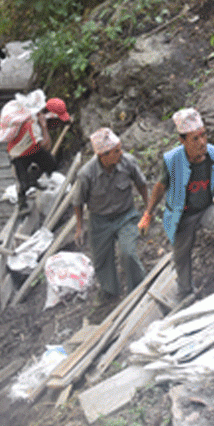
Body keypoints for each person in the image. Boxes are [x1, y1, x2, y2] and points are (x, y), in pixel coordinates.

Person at [139, 108, 214, 299]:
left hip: (207, 208)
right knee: (180, 254)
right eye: (195, 138)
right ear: (182, 141)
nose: (202, 142)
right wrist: (148, 213)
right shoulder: (172, 160)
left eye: (203, 135)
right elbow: (160, 187)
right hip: (183, 214)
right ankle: (186, 291)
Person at [73, 127, 150, 301]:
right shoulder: (86, 174)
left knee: (128, 253)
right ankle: (110, 292)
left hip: (126, 216)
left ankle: (138, 290)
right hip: (100, 221)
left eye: (120, 149)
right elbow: (78, 202)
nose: (120, 153)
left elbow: (142, 184)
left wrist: (148, 210)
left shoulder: (127, 162)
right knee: (102, 259)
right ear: (103, 155)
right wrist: (80, 226)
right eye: (116, 151)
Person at [7, 96, 70, 212]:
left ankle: (33, 179)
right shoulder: (33, 122)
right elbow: (46, 145)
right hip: (19, 153)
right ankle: (22, 203)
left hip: (33, 149)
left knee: (50, 164)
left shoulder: (39, 117)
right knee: (22, 183)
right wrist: (44, 126)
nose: (56, 125)